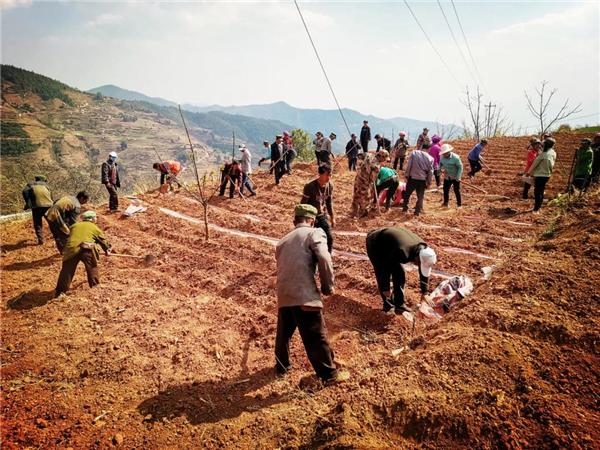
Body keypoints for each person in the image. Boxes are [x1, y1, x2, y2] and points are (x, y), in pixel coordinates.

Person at [275, 204, 345, 384]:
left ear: (295, 220)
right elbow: (324, 256)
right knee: (316, 335)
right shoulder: (315, 233)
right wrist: (328, 286)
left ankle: (281, 366)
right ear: (312, 221)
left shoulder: (282, 241)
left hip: (284, 294)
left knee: (284, 333)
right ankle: (329, 375)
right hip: (304, 294)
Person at [366, 227, 437, 314]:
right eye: (418, 263)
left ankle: (399, 305)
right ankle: (388, 306)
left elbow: (424, 272)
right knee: (383, 270)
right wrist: (386, 288)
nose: (417, 266)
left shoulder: (423, 250)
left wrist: (425, 292)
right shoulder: (402, 251)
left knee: (400, 274)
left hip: (392, 245)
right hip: (376, 243)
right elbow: (385, 267)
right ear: (417, 258)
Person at [54, 211, 111, 298]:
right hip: (86, 249)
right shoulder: (93, 227)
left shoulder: (74, 226)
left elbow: (69, 237)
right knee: (92, 267)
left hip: (71, 250)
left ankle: (60, 293)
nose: (96, 219)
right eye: (95, 217)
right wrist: (107, 249)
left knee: (67, 271)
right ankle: (95, 287)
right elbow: (102, 240)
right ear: (91, 219)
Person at [301, 165, 335, 253]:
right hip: (310, 217)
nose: (329, 177)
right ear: (320, 174)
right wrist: (303, 220)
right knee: (309, 241)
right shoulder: (310, 186)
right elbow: (303, 204)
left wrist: (332, 217)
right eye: (327, 175)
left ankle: (327, 260)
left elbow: (329, 203)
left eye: (330, 175)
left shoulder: (330, 186)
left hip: (321, 216)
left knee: (329, 238)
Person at [526, 137, 557, 213]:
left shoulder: (543, 154)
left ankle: (536, 209)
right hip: (547, 175)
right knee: (541, 190)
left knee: (537, 192)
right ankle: (538, 207)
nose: (541, 145)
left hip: (540, 175)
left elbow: (534, 164)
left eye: (543, 144)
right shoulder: (553, 152)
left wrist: (528, 173)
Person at [402, 144, 434, 216]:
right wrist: (428, 182)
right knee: (420, 196)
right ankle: (417, 212)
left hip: (412, 178)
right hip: (422, 180)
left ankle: (405, 209)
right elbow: (431, 172)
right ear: (429, 149)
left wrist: (406, 175)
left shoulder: (414, 153)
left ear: (421, 147)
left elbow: (409, 165)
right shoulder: (431, 158)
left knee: (407, 194)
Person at [22, 175, 53, 244]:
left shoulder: (30, 184)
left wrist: (28, 201)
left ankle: (41, 240)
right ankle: (57, 235)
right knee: (52, 221)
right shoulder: (46, 185)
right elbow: (51, 195)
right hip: (48, 205)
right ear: (43, 180)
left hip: (37, 206)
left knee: (37, 223)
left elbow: (24, 191)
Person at [350, 153, 380, 218]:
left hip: (358, 178)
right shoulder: (376, 166)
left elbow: (360, 155)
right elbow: (372, 179)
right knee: (365, 197)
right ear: (382, 157)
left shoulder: (369, 155)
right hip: (364, 182)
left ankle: (354, 210)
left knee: (356, 194)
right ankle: (363, 212)